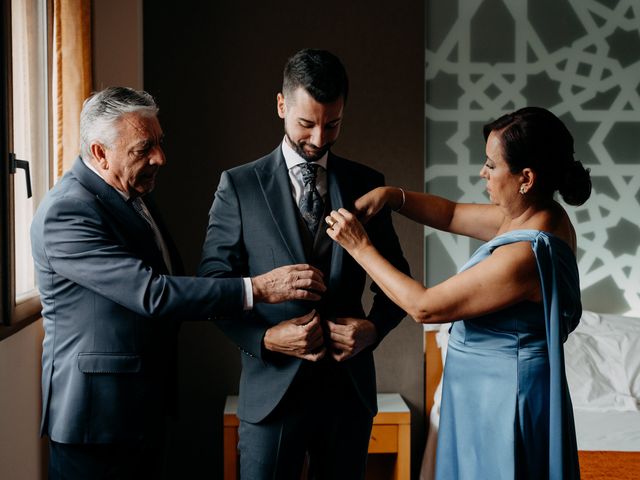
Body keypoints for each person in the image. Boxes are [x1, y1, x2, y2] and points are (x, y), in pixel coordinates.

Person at [30, 87, 326, 480]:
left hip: (140, 410)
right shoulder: (66, 212)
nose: (160, 158)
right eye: (144, 148)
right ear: (100, 153)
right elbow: (153, 293)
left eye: (159, 143)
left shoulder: (131, 192)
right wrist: (257, 289)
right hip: (95, 421)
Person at [326, 106, 591, 480]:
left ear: (526, 178)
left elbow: (424, 307)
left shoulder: (526, 256)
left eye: (491, 165)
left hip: (504, 398)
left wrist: (359, 247)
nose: (483, 172)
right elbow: (449, 214)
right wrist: (391, 195)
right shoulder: (535, 213)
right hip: (482, 390)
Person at [198, 49, 410, 479]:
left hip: (347, 395)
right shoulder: (239, 186)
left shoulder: (368, 184)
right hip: (271, 395)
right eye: (306, 124)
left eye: (332, 125)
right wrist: (265, 339)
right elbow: (213, 285)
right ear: (281, 105)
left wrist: (372, 330)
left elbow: (398, 280)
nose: (318, 139)